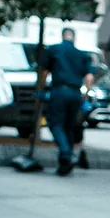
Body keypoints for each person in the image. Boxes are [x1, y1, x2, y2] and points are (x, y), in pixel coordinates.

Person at [36, 26, 93, 177]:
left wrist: (41, 90)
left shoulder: (54, 50)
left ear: (62, 36)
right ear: (74, 38)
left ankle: (65, 153)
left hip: (59, 91)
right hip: (75, 93)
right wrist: (85, 97)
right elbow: (89, 78)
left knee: (55, 124)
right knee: (69, 126)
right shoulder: (82, 55)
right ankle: (64, 162)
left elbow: (44, 72)